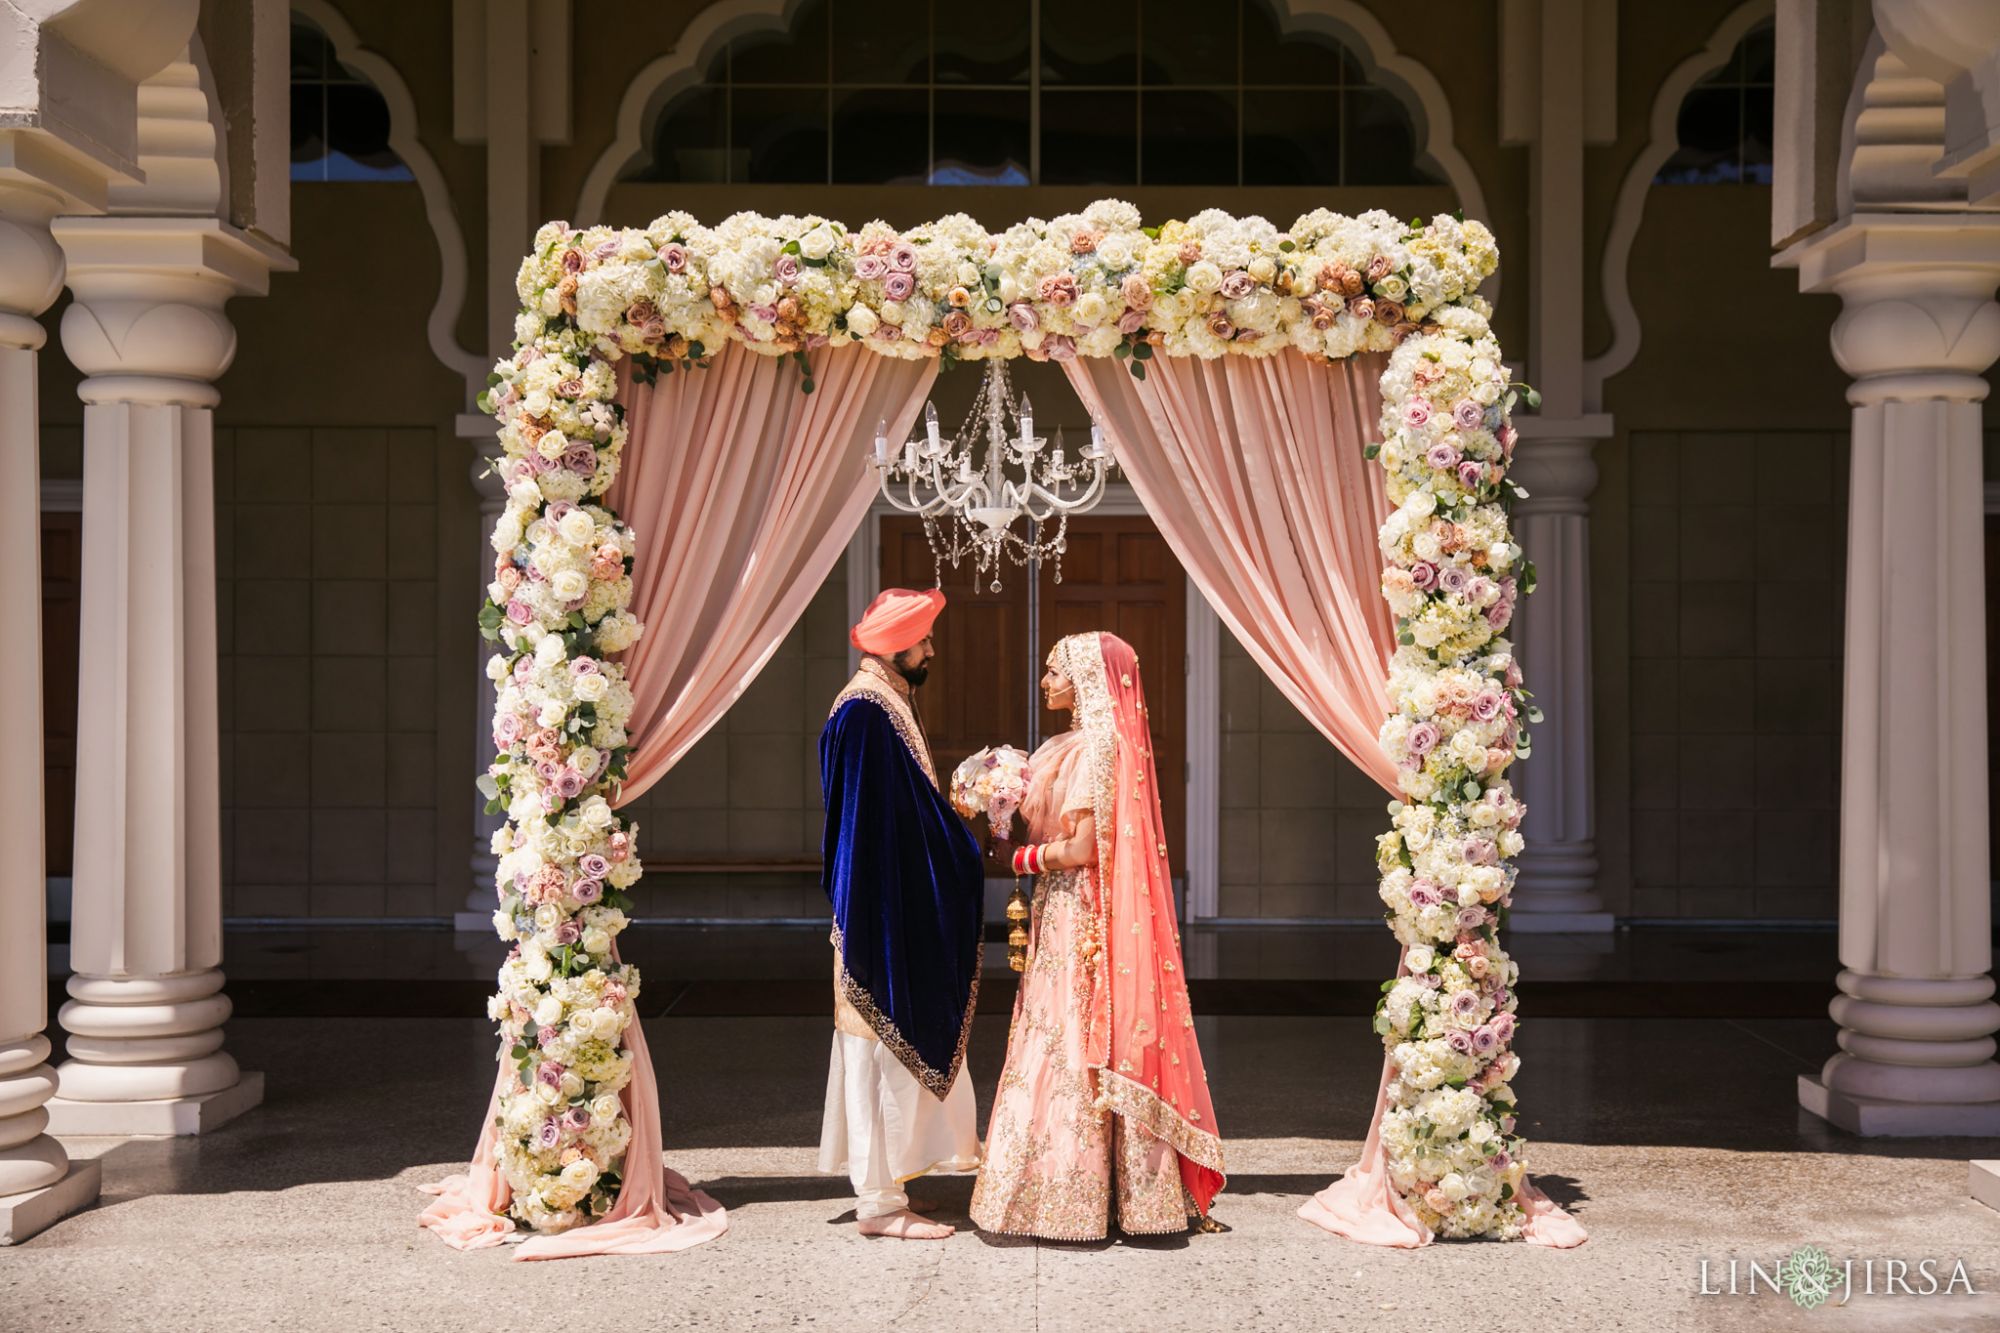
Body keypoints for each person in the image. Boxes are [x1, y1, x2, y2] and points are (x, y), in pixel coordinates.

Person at [969, 631, 1226, 1240]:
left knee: (1069, 1030)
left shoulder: (1092, 751)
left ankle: (1068, 1193)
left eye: (1056, 672)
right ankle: (1116, 1194)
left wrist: (1024, 859)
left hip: (1078, 911)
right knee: (1070, 1030)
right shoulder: (1081, 745)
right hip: (1071, 908)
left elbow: (1084, 849)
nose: (1045, 683)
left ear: (1086, 680)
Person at [816, 586, 985, 1240]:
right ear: (898, 646)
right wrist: (959, 844)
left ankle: (896, 1187)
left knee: (890, 1055)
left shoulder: (886, 702)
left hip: (891, 908)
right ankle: (880, 1206)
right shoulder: (864, 713)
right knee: (876, 1051)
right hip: (877, 916)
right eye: (925, 640)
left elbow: (904, 813)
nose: (932, 650)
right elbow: (867, 828)